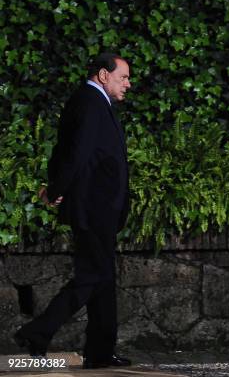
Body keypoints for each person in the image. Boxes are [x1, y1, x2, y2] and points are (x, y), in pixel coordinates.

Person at [14, 53, 132, 369]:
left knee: (102, 279)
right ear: (104, 75)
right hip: (93, 208)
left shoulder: (94, 103)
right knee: (93, 276)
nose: (128, 84)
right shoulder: (89, 102)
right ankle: (37, 331)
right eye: (123, 77)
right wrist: (56, 190)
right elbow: (75, 154)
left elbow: (72, 151)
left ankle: (100, 351)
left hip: (101, 207)